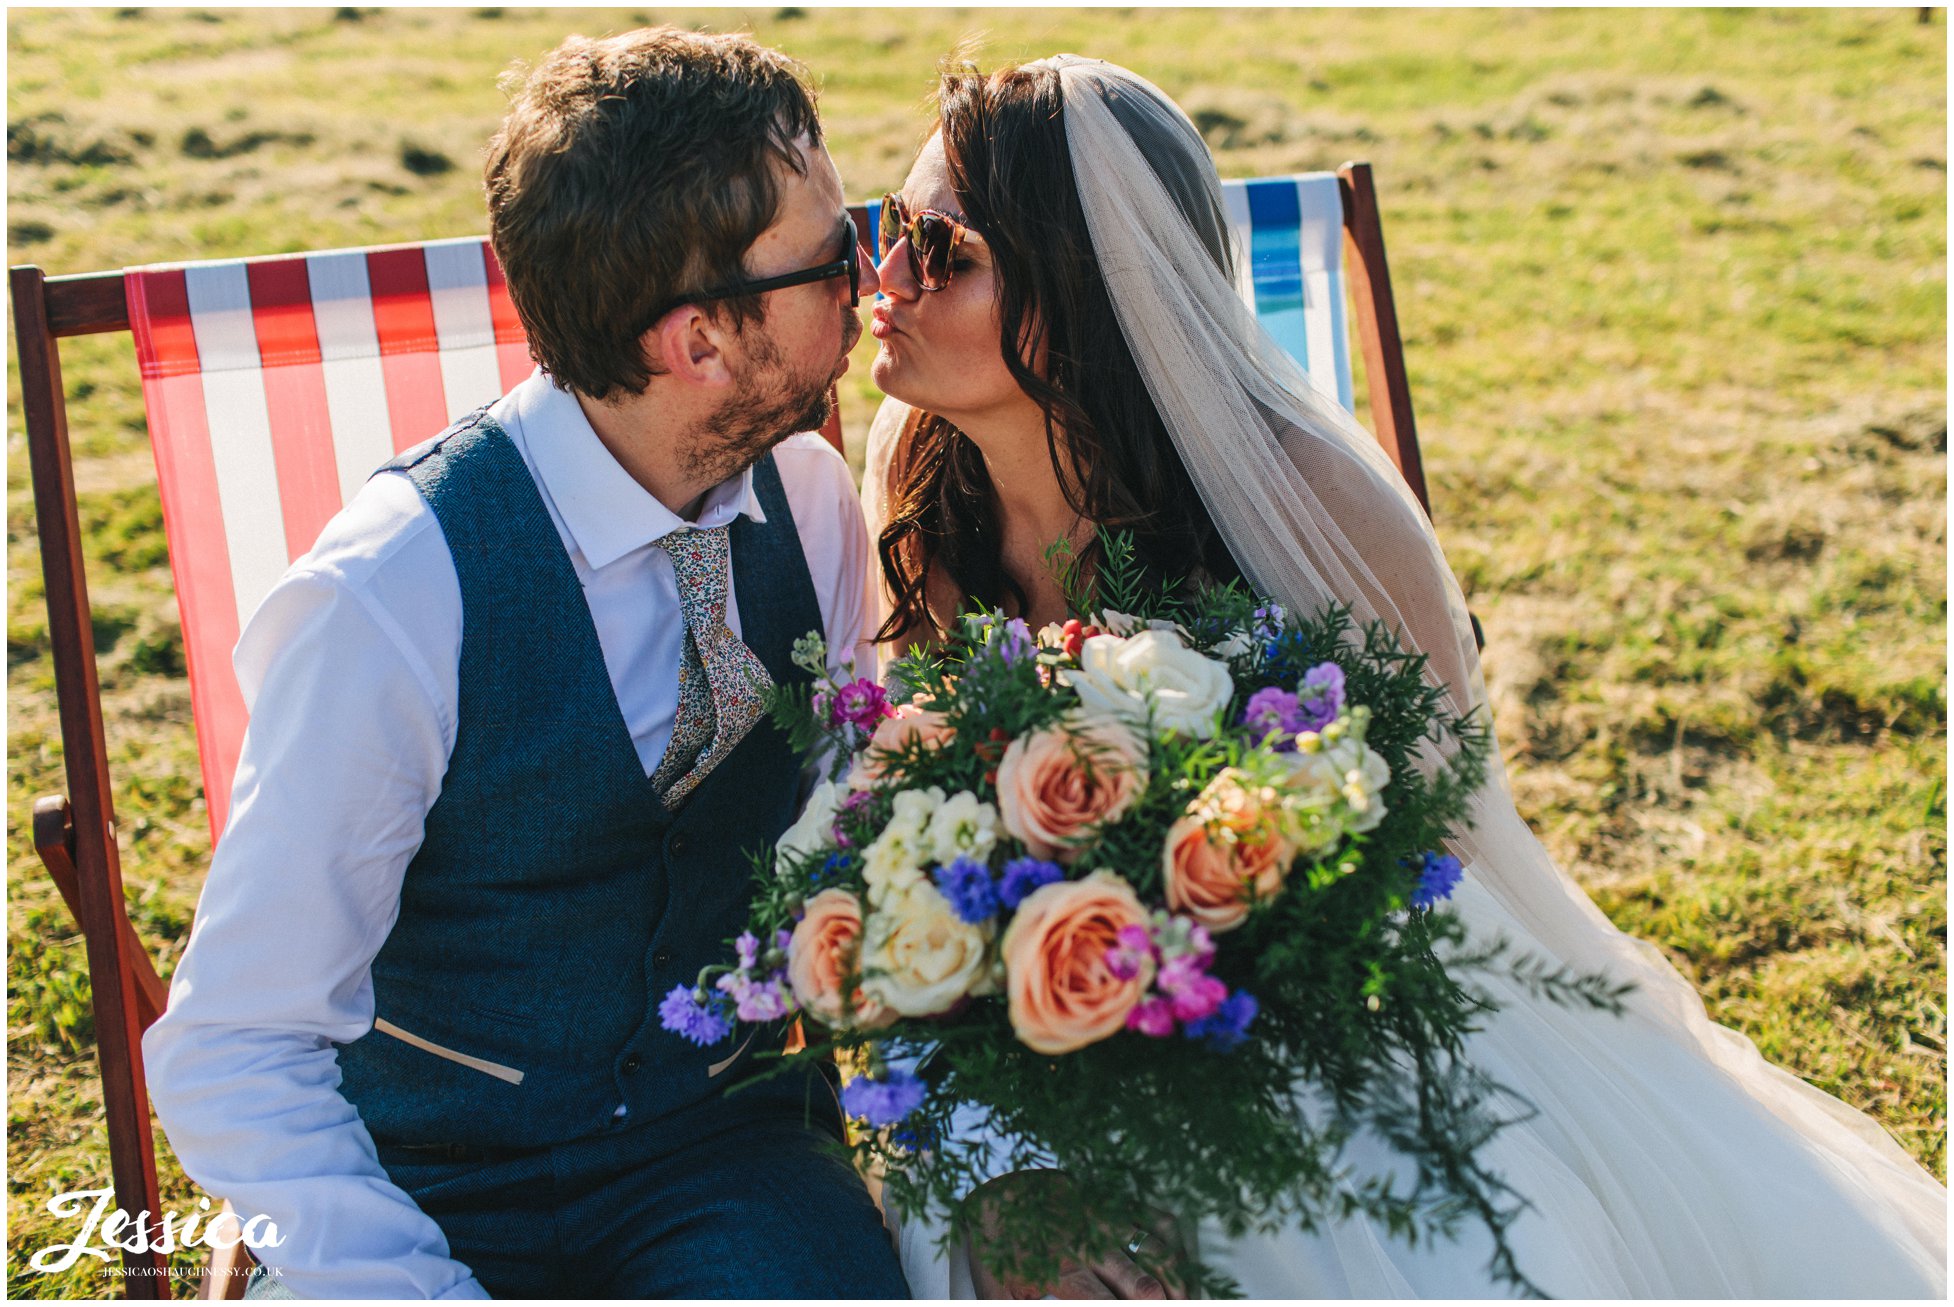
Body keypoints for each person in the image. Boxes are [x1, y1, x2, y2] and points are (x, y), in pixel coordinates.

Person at [861, 54, 1947, 1298]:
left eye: (942, 249)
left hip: (1335, 1008)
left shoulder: (1307, 501)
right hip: (1044, 1017)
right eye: (893, 230)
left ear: (1085, 286)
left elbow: (1438, 850)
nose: (888, 279)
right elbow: (915, 813)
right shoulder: (918, 480)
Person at [142, 28, 910, 1298]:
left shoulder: (814, 500)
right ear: (699, 343)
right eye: (833, 254)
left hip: (717, 1148)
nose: (872, 275)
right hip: (428, 1177)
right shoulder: (390, 595)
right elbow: (239, 1039)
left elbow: (844, 843)